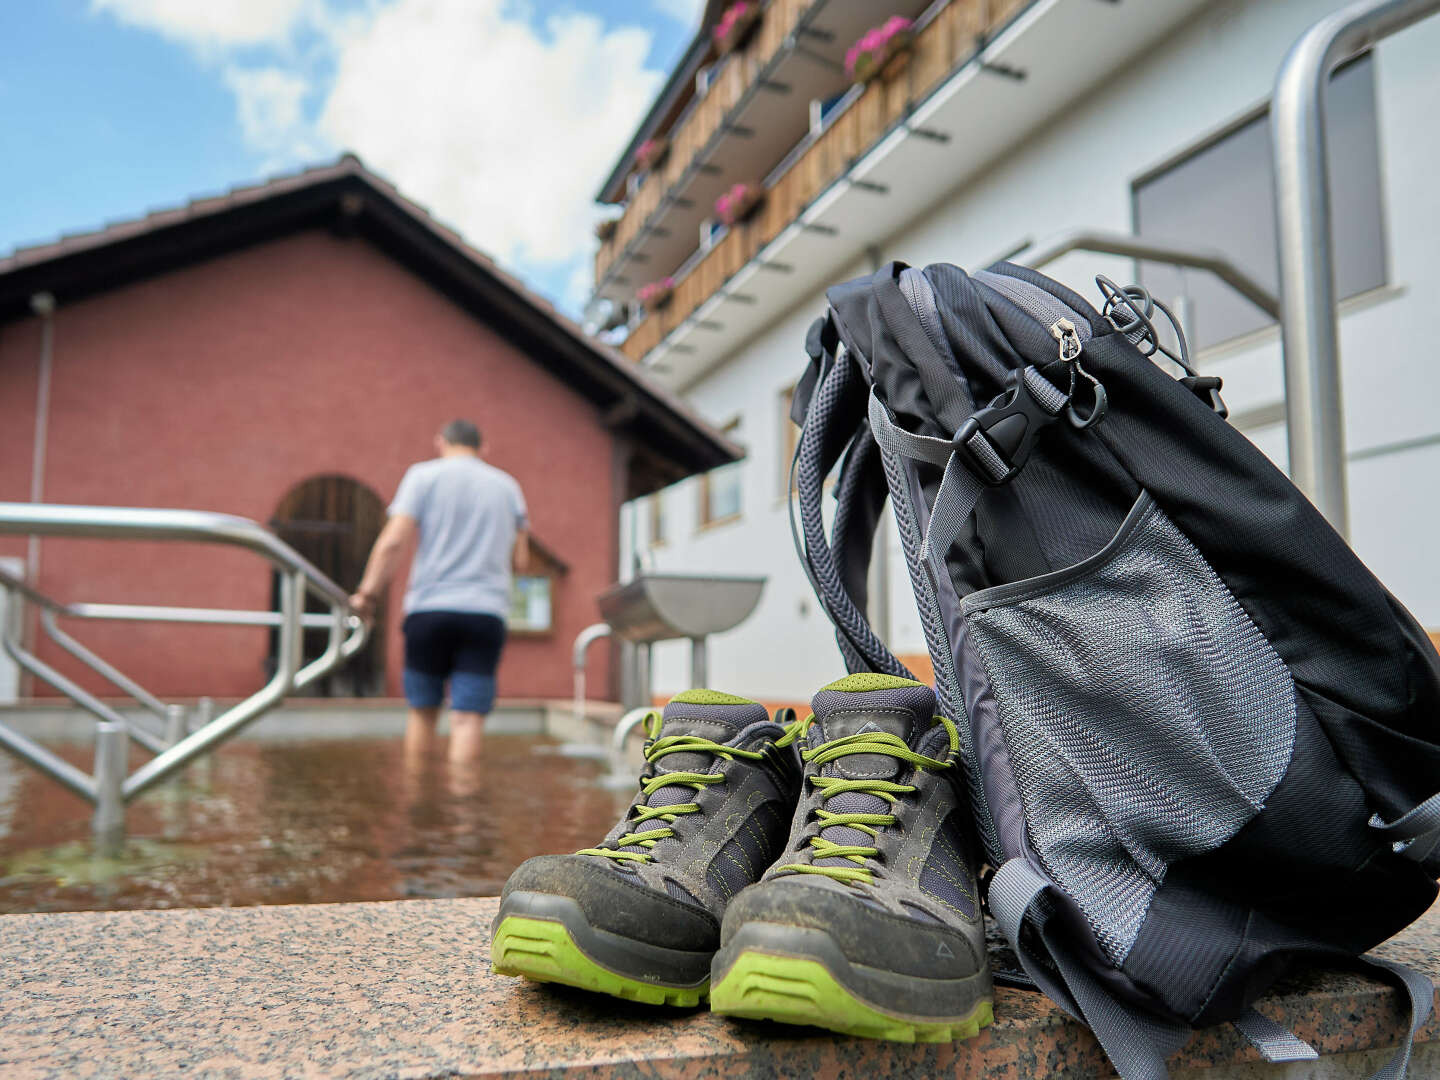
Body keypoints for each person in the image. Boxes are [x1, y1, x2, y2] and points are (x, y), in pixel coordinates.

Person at [350, 419, 528, 761]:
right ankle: (463, 808)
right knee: (467, 716)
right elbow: (520, 561)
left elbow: (393, 541)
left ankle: (420, 804)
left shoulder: (422, 476)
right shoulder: (507, 486)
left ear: (441, 443)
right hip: (485, 611)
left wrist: (367, 593)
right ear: (482, 448)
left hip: (429, 609)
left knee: (422, 709)